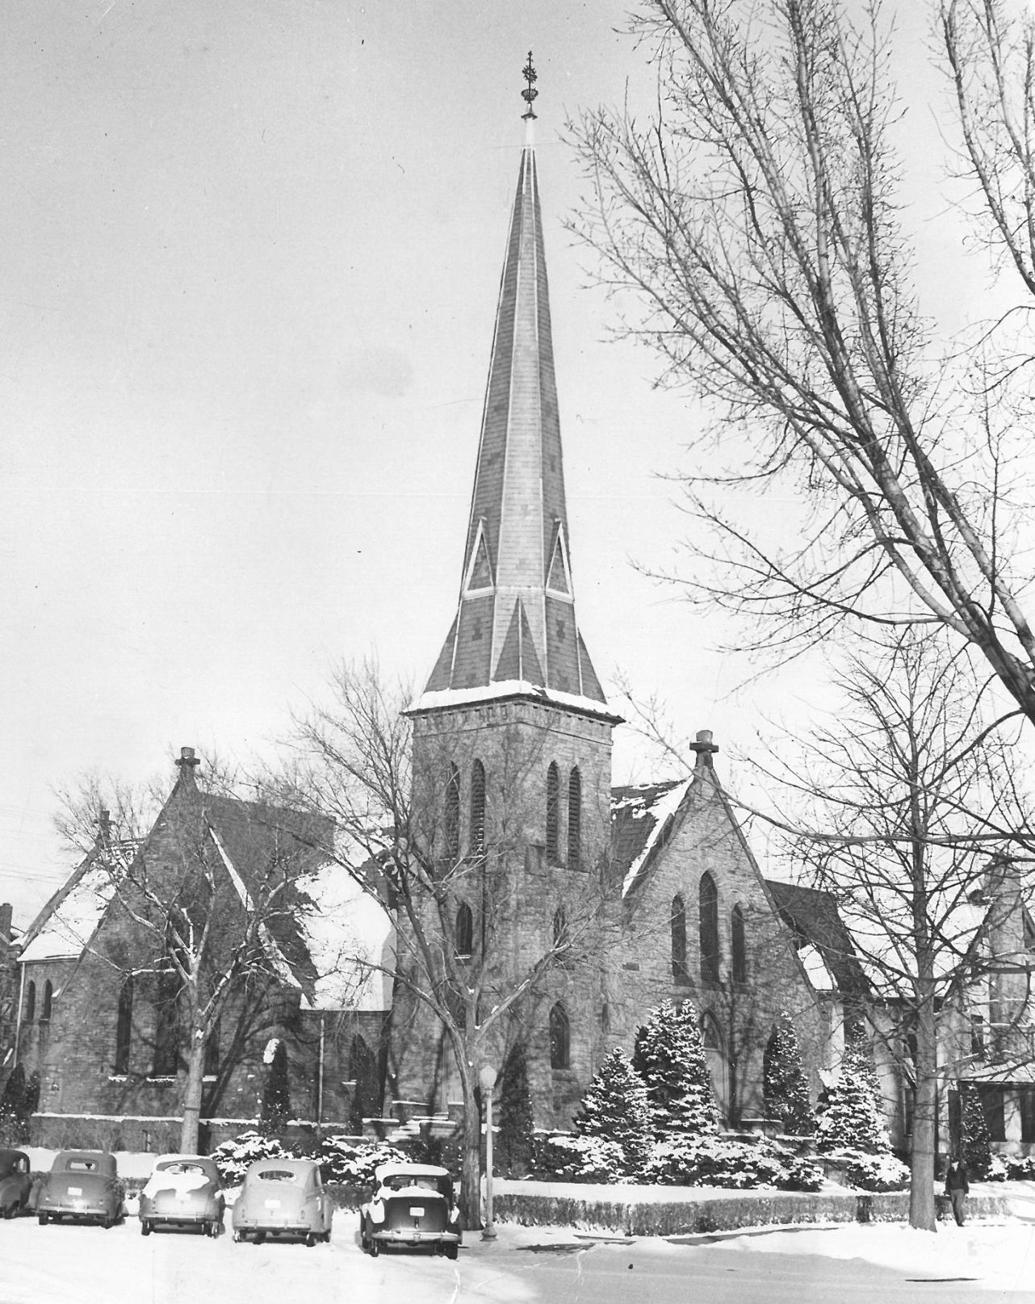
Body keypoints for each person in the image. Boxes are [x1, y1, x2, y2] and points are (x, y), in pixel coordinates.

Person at [944, 1154, 969, 1226]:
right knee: (954, 1207)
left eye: (954, 1163)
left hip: (960, 1190)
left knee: (957, 1206)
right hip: (952, 1190)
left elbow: (965, 1181)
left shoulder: (961, 1171)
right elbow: (947, 1181)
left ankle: (961, 1220)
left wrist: (966, 1191)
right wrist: (947, 1190)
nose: (953, 1164)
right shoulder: (950, 1171)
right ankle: (958, 1221)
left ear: (957, 1163)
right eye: (952, 1163)